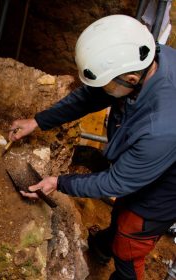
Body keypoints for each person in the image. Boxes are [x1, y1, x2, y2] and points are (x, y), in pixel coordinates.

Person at [9, 15, 176, 280]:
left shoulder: (161, 128)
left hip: (168, 188)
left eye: (107, 84)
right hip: (152, 157)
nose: (102, 90)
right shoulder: (147, 57)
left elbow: (117, 183)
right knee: (123, 210)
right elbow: (90, 97)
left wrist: (59, 182)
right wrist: (37, 122)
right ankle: (103, 245)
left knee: (131, 238)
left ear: (132, 79)